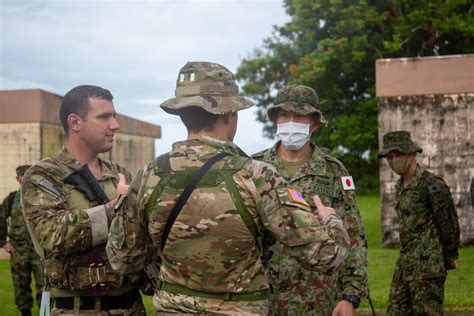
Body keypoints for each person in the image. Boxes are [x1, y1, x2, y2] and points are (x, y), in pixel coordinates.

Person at [106, 61, 351, 315]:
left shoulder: (149, 175)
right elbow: (327, 255)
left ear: (183, 115)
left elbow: (123, 259)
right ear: (228, 114)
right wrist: (330, 219)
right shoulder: (256, 175)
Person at [20, 85, 146, 315]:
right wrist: (117, 209)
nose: (115, 125)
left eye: (114, 116)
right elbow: (52, 234)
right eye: (104, 117)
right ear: (75, 122)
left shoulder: (118, 173)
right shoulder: (44, 175)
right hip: (77, 308)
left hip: (131, 306)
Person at [252, 84, 368, 315]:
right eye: (285, 114)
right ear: (275, 119)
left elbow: (353, 235)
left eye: (300, 115)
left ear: (314, 122)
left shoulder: (334, 171)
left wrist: (350, 296)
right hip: (263, 299)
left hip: (319, 298)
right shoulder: (254, 168)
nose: (291, 121)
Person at [378, 130, 460, 315]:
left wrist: (449, 256)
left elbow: (449, 224)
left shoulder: (431, 185)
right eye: (389, 157)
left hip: (427, 269)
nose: (392, 161)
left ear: (412, 154)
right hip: (405, 265)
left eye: (397, 155)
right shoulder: (400, 185)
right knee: (395, 311)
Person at [0, 165, 44, 316]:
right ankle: (25, 313)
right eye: (23, 176)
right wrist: (3, 242)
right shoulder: (12, 198)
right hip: (19, 251)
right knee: (21, 285)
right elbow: (0, 219)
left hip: (40, 251)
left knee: (44, 286)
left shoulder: (43, 198)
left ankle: (44, 312)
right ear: (18, 179)